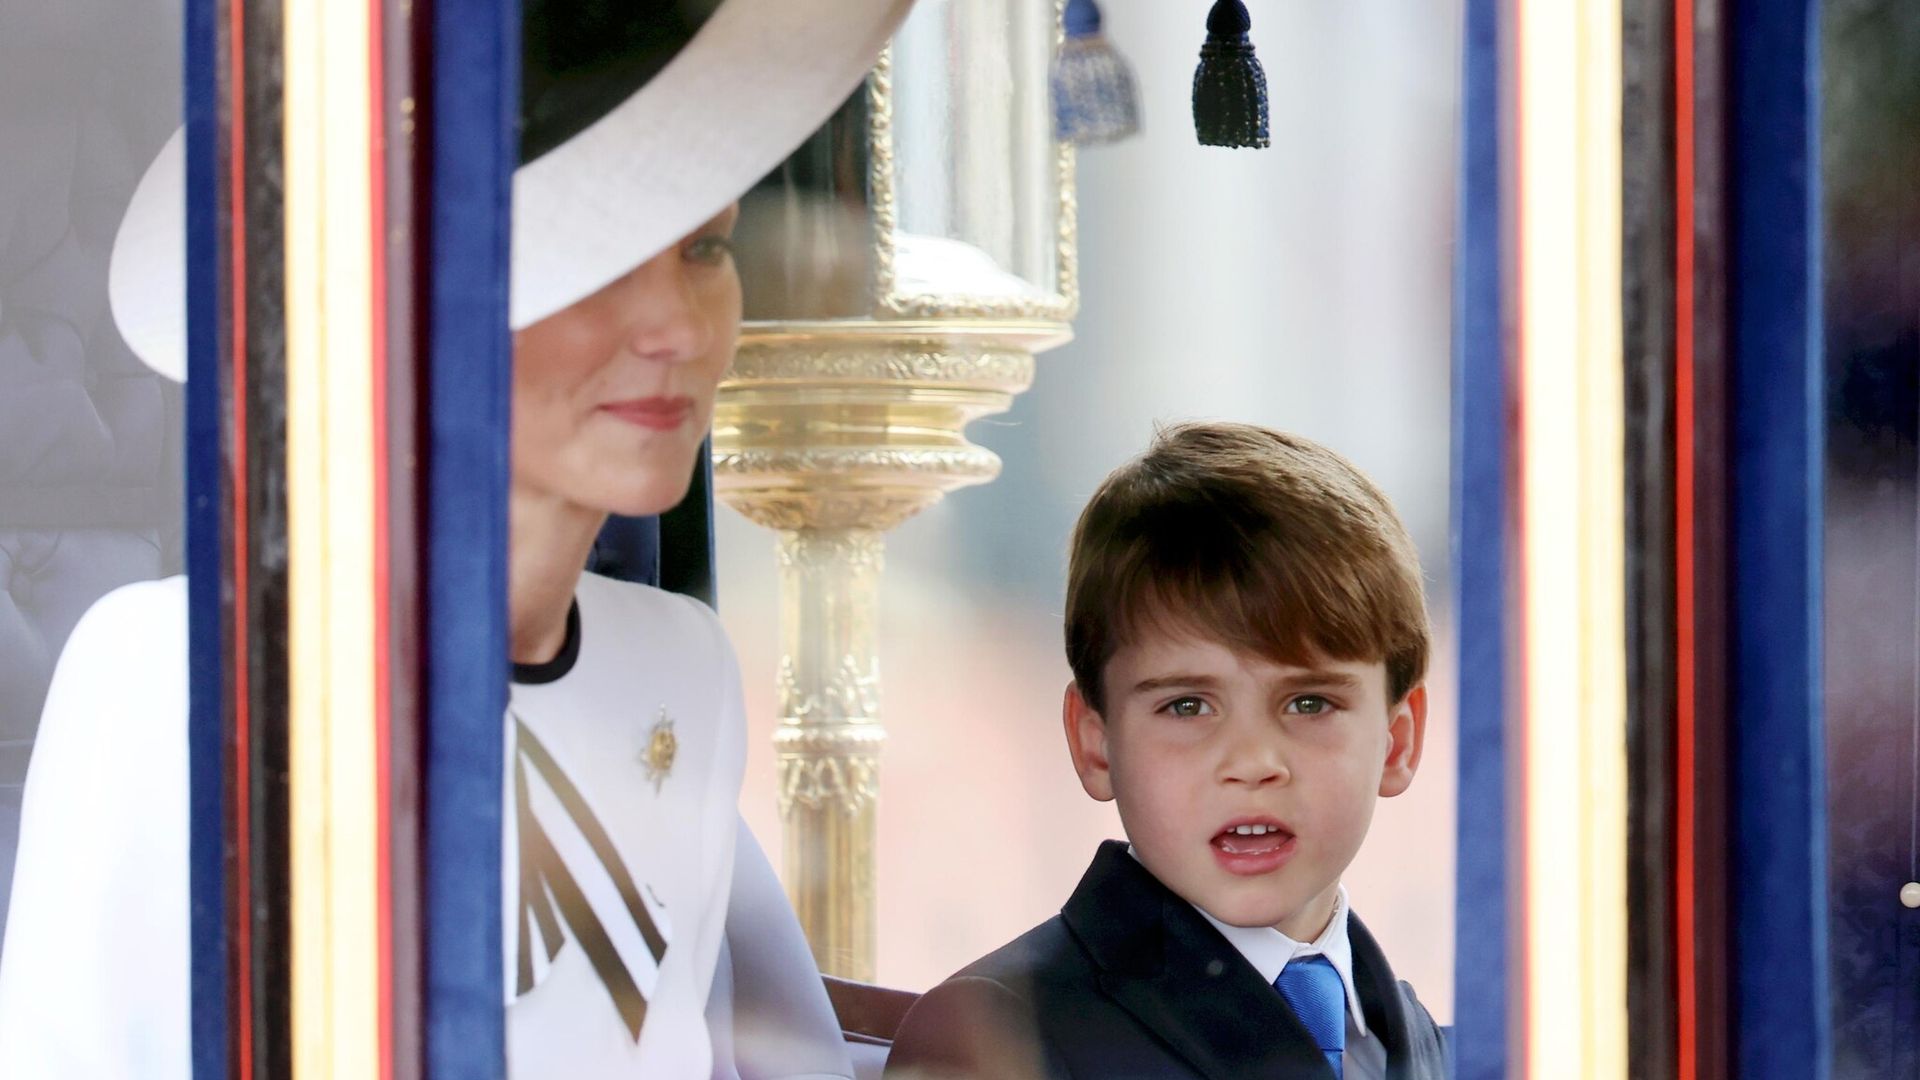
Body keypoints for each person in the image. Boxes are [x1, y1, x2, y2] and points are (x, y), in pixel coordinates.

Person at [0, 0, 911, 1075]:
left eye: (706, 249)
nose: (676, 328)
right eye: (601, 263)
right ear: (418, 297)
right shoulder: (169, 668)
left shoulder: (684, 670)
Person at [883, 422, 1450, 1080]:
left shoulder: (1429, 1041)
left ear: (1397, 741)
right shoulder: (997, 1036)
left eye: (1309, 703)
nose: (1252, 761)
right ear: (1096, 744)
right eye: (1186, 706)